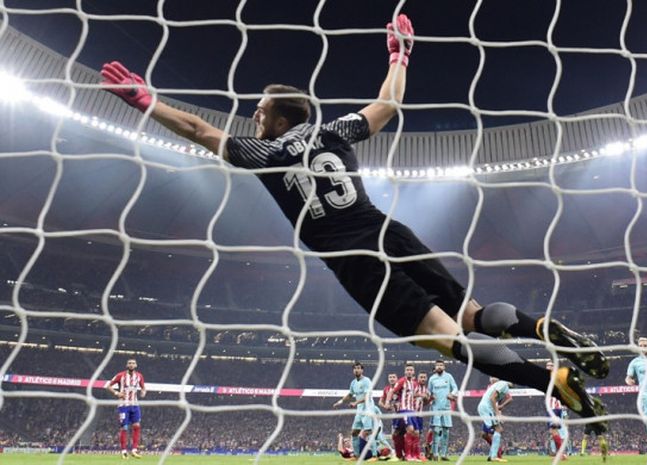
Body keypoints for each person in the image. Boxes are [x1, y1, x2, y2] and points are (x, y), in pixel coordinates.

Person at [100, 13, 608, 429]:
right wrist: (399, 55)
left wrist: (147, 103)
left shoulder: (267, 150)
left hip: (357, 261)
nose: (254, 118)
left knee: (450, 339)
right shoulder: (333, 133)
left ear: (280, 120)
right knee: (473, 314)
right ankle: (541, 325)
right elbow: (388, 104)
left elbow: (199, 129)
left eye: (260, 112)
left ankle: (551, 381)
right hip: (390, 231)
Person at [334, 362, 376, 460]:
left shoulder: (366, 381)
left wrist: (355, 403)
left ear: (362, 370)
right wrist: (339, 402)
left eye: (358, 368)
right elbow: (350, 395)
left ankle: (374, 455)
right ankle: (356, 456)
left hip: (368, 409)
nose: (356, 370)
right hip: (360, 410)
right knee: (354, 432)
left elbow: (367, 396)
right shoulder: (353, 383)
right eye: (355, 368)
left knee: (368, 431)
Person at [106, 358, 146, 459]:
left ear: (136, 365)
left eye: (133, 363)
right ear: (127, 365)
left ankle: (134, 450)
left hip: (135, 404)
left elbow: (143, 387)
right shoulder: (120, 375)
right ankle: (124, 451)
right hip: (123, 405)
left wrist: (143, 392)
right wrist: (117, 393)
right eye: (129, 363)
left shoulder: (139, 376)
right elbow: (108, 386)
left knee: (137, 426)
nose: (131, 365)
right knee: (124, 427)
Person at [386, 362, 422, 462]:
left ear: (413, 372)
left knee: (416, 433)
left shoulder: (414, 383)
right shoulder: (402, 381)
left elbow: (413, 395)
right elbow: (391, 391)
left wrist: (421, 395)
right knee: (410, 430)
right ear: (405, 372)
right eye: (407, 370)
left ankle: (414, 456)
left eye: (411, 370)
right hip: (404, 410)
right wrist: (388, 402)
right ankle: (407, 455)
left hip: (412, 410)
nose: (409, 372)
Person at [428, 360, 458, 461]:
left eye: (441, 365)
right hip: (435, 408)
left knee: (446, 432)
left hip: (446, 408)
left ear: (444, 367)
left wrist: (452, 394)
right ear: (435, 367)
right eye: (437, 365)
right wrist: (430, 396)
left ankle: (444, 454)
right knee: (436, 431)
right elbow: (428, 392)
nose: (439, 367)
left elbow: (455, 388)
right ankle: (435, 453)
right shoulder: (432, 379)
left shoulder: (449, 377)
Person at [478, 377, 512, 463]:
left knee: (489, 432)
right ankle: (494, 456)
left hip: (486, 408)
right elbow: (492, 398)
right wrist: (497, 413)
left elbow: (509, 398)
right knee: (498, 429)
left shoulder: (505, 387)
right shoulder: (503, 384)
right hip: (487, 408)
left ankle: (491, 455)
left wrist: (499, 410)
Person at [380, 372, 405, 459]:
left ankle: (405, 453)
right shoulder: (386, 389)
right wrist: (385, 406)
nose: (392, 379)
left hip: (403, 413)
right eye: (390, 377)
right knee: (395, 435)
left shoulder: (401, 388)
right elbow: (380, 401)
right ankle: (399, 454)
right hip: (394, 416)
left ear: (397, 378)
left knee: (403, 434)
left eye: (393, 377)